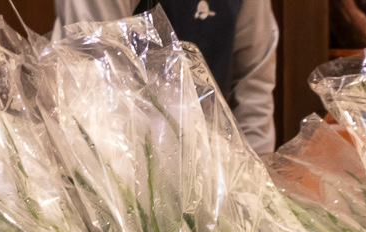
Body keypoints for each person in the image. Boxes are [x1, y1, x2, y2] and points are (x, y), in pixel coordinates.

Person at [56, 0, 279, 153]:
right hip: (119, 160)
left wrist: (257, 192)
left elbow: (252, 86)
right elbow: (99, 84)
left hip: (215, 169)